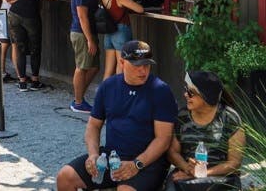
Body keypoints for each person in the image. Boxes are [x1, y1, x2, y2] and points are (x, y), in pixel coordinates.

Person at [56, 40, 178, 191]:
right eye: (136, 65)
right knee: (65, 177)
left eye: (146, 65)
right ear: (122, 62)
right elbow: (93, 125)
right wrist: (93, 155)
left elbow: (163, 139)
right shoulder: (108, 86)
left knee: (125, 190)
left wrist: (136, 164)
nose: (143, 71)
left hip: (148, 162)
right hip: (112, 156)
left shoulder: (161, 90)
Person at [164, 71, 245, 191]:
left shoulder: (229, 118)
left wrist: (204, 173)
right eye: (186, 89)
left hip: (221, 178)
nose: (185, 94)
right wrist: (187, 168)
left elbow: (234, 162)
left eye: (191, 92)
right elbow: (172, 152)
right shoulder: (182, 116)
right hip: (187, 175)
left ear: (206, 96)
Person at [0, 0, 57, 91]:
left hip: (15, 14)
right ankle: (35, 80)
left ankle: (22, 81)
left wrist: (9, 0)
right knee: (35, 49)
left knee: (19, 48)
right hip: (31, 16)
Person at [68, 0, 100, 113]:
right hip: (82, 33)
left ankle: (78, 96)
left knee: (93, 66)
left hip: (87, 32)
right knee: (82, 66)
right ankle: (78, 101)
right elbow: (82, 16)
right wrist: (89, 40)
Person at [101, 0, 144, 79]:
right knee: (121, 68)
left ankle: (104, 94)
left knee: (108, 70)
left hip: (108, 33)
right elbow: (140, 9)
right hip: (120, 32)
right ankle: (119, 94)